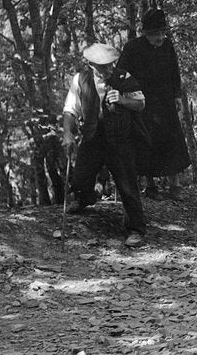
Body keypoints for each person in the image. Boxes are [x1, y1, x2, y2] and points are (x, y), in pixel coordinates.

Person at [61, 43, 149, 247]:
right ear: (92, 65)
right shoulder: (80, 79)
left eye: (111, 64)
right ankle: (85, 199)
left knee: (127, 185)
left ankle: (136, 229)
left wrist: (123, 100)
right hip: (92, 138)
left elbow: (141, 104)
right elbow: (70, 109)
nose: (110, 69)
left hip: (120, 140)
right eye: (104, 66)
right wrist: (67, 133)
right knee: (80, 178)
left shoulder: (123, 78)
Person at [118, 6, 191, 199]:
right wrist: (125, 96)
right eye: (155, 34)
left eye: (162, 33)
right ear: (146, 34)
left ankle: (175, 185)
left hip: (166, 101)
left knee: (172, 140)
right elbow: (121, 74)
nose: (159, 37)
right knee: (147, 141)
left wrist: (177, 96)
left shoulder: (167, 46)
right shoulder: (132, 48)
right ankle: (150, 186)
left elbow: (175, 73)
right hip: (143, 103)